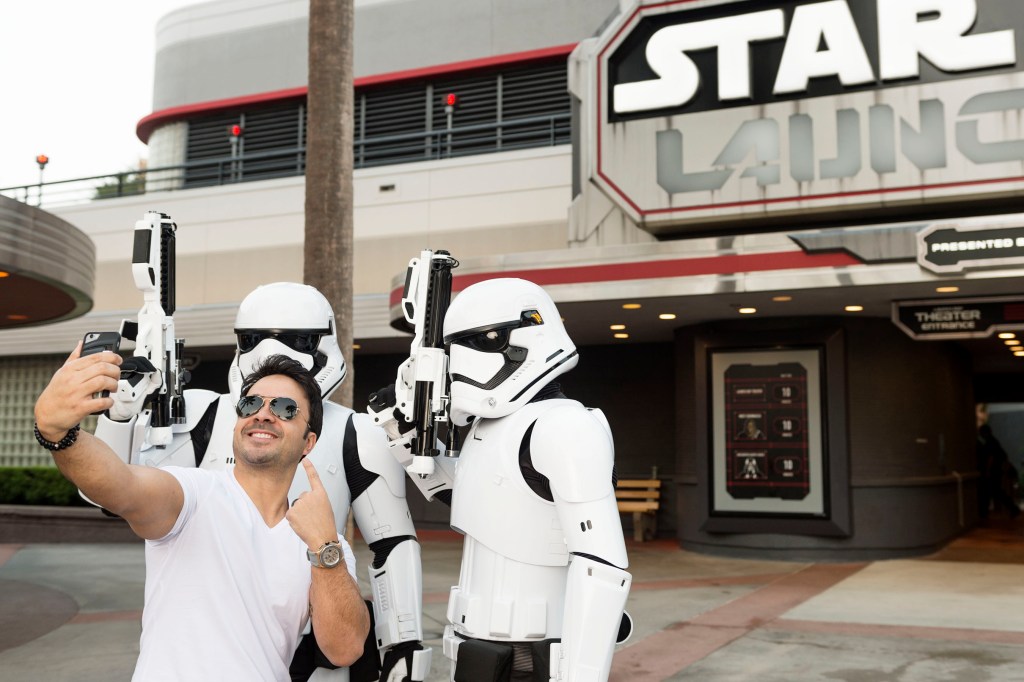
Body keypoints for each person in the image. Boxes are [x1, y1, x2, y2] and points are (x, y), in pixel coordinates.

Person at [94, 282, 431, 682]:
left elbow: (392, 543)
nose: (272, 352)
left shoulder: (357, 430)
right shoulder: (207, 413)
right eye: (253, 339)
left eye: (295, 340)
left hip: (320, 623)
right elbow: (113, 491)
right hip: (214, 635)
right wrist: (118, 417)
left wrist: (403, 643)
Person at [34, 349, 369, 681]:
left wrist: (324, 546)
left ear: (308, 442)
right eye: (250, 404)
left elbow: (344, 648)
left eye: (284, 408)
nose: (263, 415)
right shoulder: (193, 494)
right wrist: (61, 435)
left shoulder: (326, 545)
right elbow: (121, 485)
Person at [371, 278, 632, 682]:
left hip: (534, 657)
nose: (459, 363)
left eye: (476, 342)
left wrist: (579, 674)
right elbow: (477, 499)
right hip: (472, 651)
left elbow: (602, 564)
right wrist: (404, 436)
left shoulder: (564, 425)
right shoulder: (487, 428)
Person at [976, 402, 1020, 520]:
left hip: (993, 472)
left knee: (992, 492)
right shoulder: (993, 442)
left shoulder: (990, 443)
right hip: (996, 471)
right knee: (995, 492)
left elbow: (991, 458)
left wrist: (987, 471)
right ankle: (1011, 508)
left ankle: (985, 513)